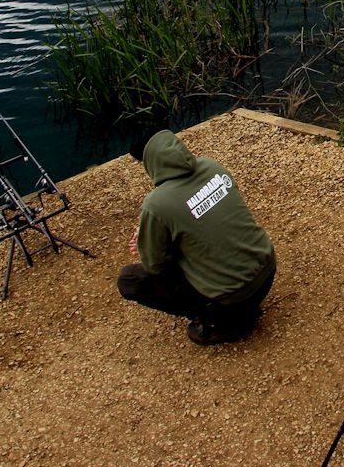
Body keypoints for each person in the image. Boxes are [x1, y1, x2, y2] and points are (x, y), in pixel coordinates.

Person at [117, 129, 276, 346]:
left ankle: (221, 321)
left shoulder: (157, 204)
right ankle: (241, 308)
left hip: (233, 296)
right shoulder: (212, 167)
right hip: (266, 270)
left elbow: (155, 265)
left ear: (150, 162)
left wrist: (147, 242)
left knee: (130, 280)